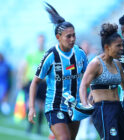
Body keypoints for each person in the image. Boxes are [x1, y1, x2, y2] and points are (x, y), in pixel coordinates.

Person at [79, 23, 124, 140]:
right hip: (103, 109)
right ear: (107, 47)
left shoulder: (117, 64)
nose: (122, 49)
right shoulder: (96, 64)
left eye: (122, 45)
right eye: (118, 46)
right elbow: (83, 85)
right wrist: (85, 105)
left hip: (118, 107)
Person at [28, 3, 88, 140]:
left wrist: (90, 96)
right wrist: (31, 107)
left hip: (75, 106)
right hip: (55, 106)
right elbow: (35, 82)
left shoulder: (80, 53)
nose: (72, 39)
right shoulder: (50, 55)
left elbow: (89, 77)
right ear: (58, 37)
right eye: (68, 36)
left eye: (74, 35)